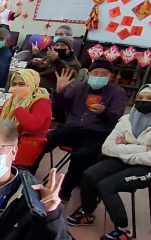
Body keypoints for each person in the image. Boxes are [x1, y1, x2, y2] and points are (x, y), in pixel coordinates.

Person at [67, 84, 151, 240]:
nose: (143, 101)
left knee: (107, 185)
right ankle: (87, 213)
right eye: (140, 98)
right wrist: (141, 149)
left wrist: (124, 148)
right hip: (122, 161)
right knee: (89, 175)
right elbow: (107, 147)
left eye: (150, 99)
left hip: (147, 168)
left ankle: (123, 231)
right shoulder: (127, 119)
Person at [39, 59, 127, 201]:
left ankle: (63, 192)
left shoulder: (117, 92)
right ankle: (27, 174)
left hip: (97, 134)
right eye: (95, 73)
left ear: (110, 76)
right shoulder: (80, 87)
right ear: (89, 74)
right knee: (44, 140)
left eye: (103, 74)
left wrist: (104, 112)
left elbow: (116, 120)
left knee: (81, 156)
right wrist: (60, 91)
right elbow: (60, 109)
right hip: (73, 129)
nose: (98, 76)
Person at [0, 69, 52, 139]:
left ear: (31, 84)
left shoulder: (41, 102)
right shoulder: (11, 101)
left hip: (30, 142)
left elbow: (32, 125)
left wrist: (17, 106)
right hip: (10, 140)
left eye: (21, 84)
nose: (17, 87)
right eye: (14, 84)